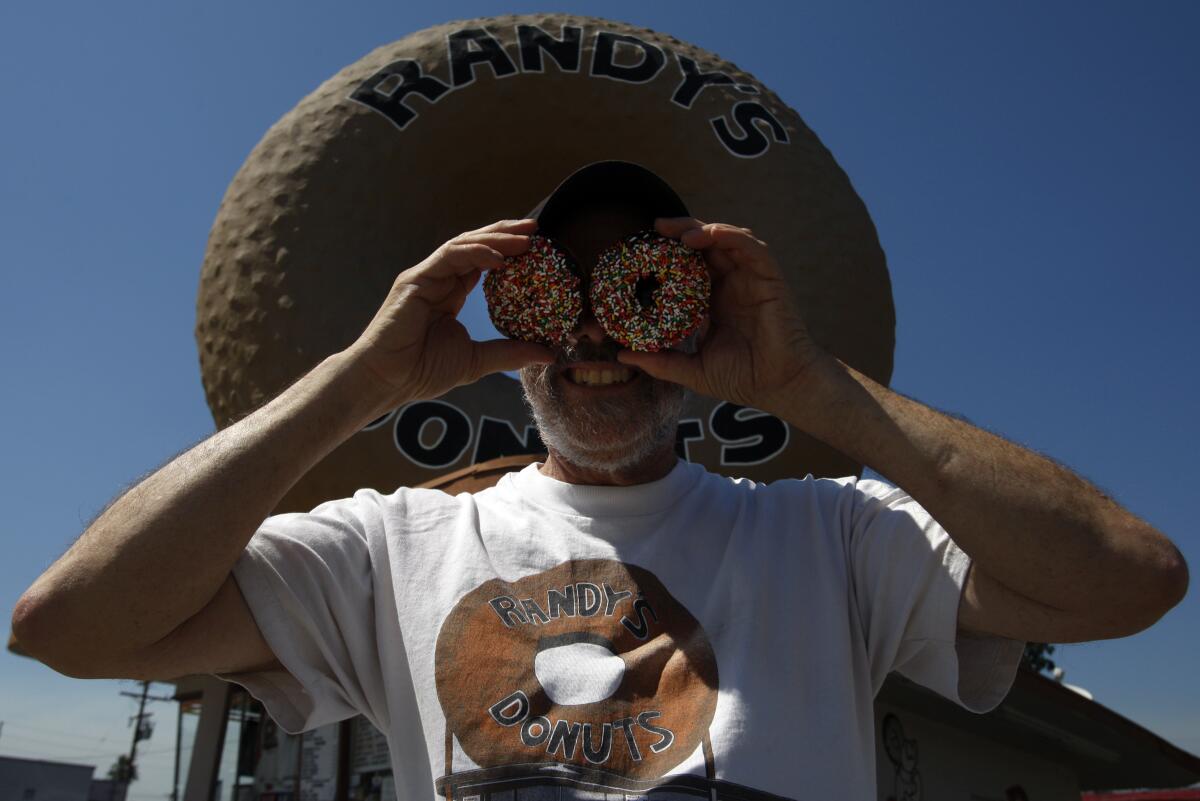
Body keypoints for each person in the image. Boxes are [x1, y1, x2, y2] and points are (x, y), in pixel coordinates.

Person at [12, 162, 1188, 799]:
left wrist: (819, 387)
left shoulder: (836, 537)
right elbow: (68, 624)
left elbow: (1129, 584)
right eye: (559, 293)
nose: (595, 337)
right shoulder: (386, 547)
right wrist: (357, 380)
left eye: (638, 297)